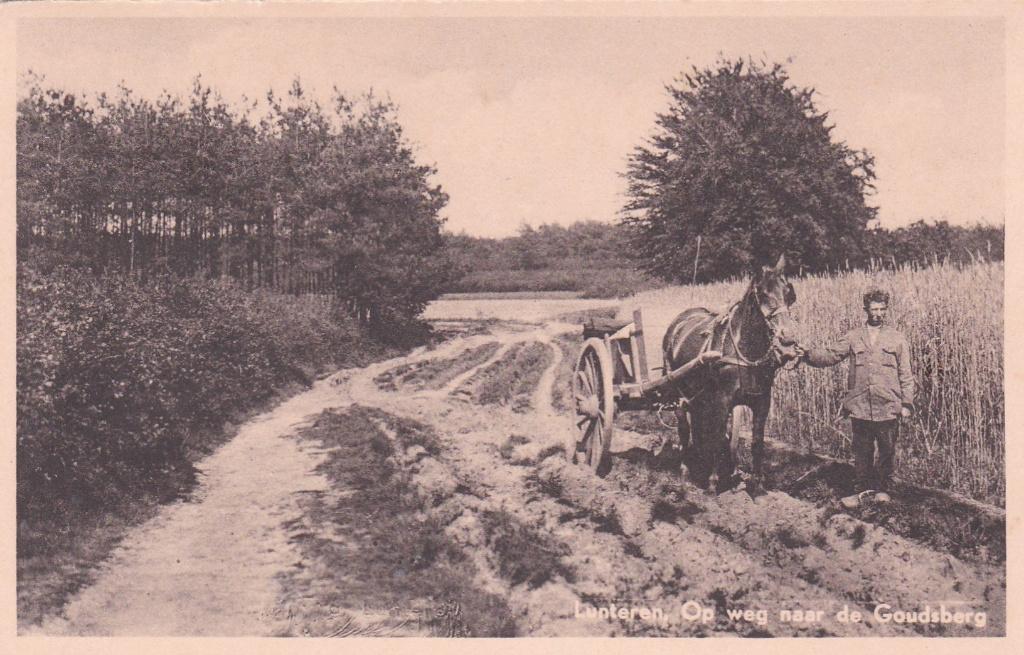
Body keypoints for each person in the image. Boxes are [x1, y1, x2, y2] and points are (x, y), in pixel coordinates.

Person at [797, 289, 915, 508]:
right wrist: (807, 354)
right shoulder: (853, 337)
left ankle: (882, 490)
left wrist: (906, 403)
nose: (878, 313)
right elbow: (830, 355)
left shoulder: (897, 338)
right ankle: (860, 490)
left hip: (888, 405)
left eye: (882, 309)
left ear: (886, 310)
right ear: (866, 310)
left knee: (887, 450)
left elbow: (906, 374)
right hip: (860, 405)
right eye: (874, 309)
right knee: (862, 451)